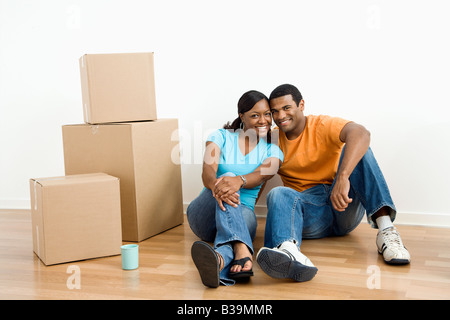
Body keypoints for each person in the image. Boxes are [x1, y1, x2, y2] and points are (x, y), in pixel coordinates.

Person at [256, 84, 411, 283]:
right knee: (277, 193)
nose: (280, 116)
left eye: (287, 108)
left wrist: (342, 177)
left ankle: (386, 231)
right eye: (275, 111)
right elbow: (258, 176)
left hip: (344, 205)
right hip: (311, 214)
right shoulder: (273, 139)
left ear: (301, 105)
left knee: (358, 149)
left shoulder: (321, 124)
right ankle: (288, 250)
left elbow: (361, 133)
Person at [187, 90, 284, 287]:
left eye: (267, 114)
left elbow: (263, 174)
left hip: (243, 215)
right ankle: (242, 248)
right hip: (204, 212)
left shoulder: (273, 150)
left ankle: (220, 260)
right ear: (242, 117)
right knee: (227, 178)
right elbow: (207, 173)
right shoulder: (220, 136)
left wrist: (238, 181)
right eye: (255, 115)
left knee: (232, 182)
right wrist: (224, 186)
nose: (263, 120)